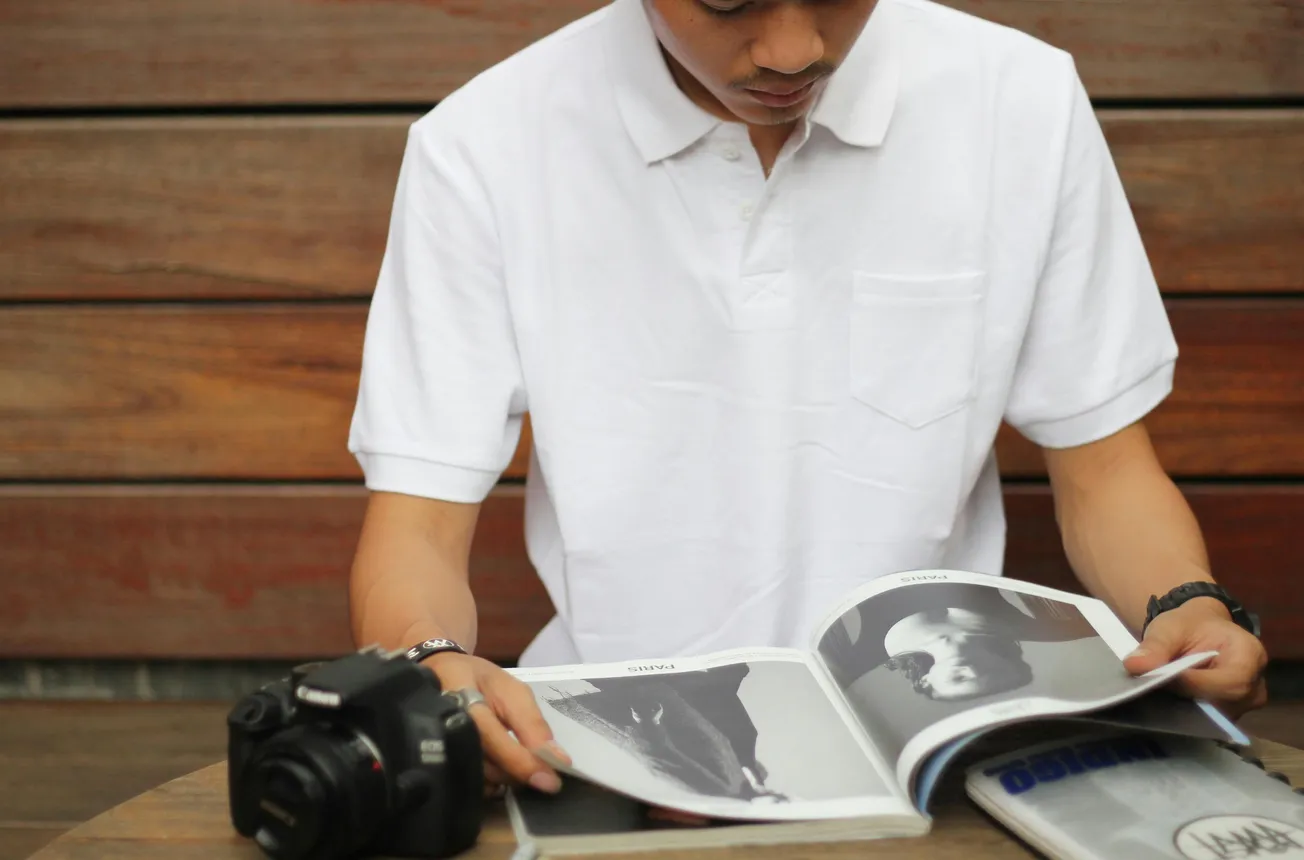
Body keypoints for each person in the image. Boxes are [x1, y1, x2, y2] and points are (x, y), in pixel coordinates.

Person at [345, 0, 1269, 800]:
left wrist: (1184, 607)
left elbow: (1106, 469)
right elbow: (418, 529)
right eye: (728, 0)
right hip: (608, 752)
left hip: (946, 755)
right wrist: (433, 671)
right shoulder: (483, 145)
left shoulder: (1018, 100)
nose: (793, 50)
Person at [819, 584, 1098, 701]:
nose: (974, 671)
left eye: (959, 680)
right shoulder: (1043, 626)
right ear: (1010, 662)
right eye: (994, 674)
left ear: (926, 682)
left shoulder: (863, 661)